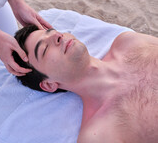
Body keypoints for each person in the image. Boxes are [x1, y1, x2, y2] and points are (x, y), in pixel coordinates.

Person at [12, 24, 158, 143]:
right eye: (45, 48)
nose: (57, 36)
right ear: (49, 84)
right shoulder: (99, 134)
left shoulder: (129, 42)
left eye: (53, 32)